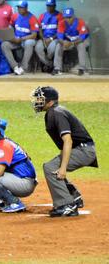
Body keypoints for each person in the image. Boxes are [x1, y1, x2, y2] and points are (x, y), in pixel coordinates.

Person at [31, 86, 98, 217]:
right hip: (82, 149)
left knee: (51, 167)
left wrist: (63, 168)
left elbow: (68, 140)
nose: (37, 101)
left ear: (50, 102)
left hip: (84, 150)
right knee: (53, 167)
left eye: (40, 98)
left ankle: (67, 205)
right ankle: (74, 197)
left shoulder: (57, 113)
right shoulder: (53, 112)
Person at [1, 0, 39, 76]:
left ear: (26, 8)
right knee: (4, 44)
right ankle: (15, 67)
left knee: (29, 43)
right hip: (16, 40)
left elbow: (34, 35)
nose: (19, 9)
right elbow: (10, 27)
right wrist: (11, 37)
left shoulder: (32, 18)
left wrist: (21, 39)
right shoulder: (15, 16)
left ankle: (23, 67)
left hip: (26, 40)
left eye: (21, 8)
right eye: (18, 7)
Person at [56, 8, 90, 76]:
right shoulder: (62, 23)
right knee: (58, 45)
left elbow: (82, 37)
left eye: (69, 17)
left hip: (80, 41)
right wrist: (63, 43)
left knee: (81, 45)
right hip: (68, 42)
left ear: (73, 16)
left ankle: (82, 69)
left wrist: (72, 43)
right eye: (66, 17)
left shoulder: (80, 22)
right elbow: (59, 37)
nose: (68, 19)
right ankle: (57, 68)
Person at [35, 0, 63, 74]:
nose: (49, 7)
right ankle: (50, 64)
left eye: (51, 6)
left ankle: (47, 65)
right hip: (44, 38)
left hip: (55, 38)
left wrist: (51, 39)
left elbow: (61, 31)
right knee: (38, 48)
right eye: (48, 6)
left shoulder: (59, 15)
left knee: (51, 49)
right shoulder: (42, 16)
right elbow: (40, 29)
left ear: (54, 6)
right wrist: (43, 39)